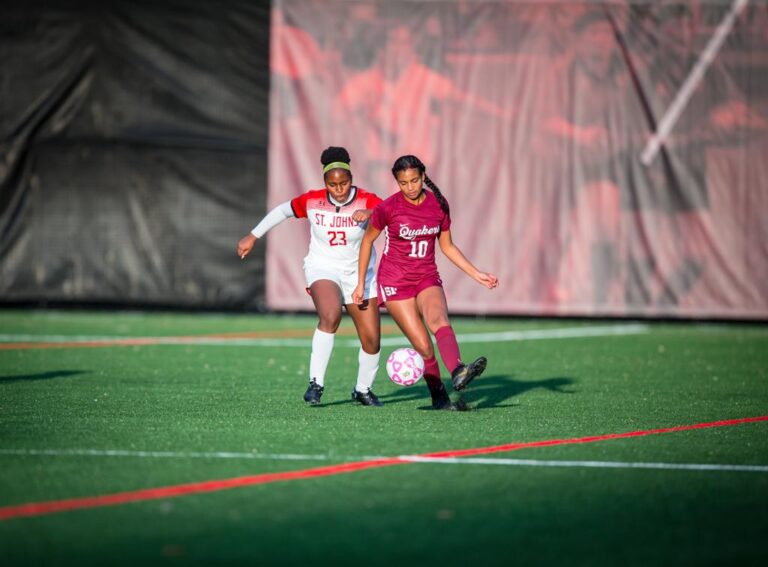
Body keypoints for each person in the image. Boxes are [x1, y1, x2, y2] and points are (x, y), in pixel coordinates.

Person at [237, 147, 384, 407]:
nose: (338, 189)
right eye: (332, 184)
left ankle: (363, 389)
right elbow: (282, 211)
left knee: (371, 340)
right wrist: (253, 236)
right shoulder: (313, 200)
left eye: (344, 183)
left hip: (360, 273)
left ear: (351, 178)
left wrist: (373, 213)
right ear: (325, 181)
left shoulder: (368, 200)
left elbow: (390, 213)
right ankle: (316, 384)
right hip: (323, 267)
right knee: (330, 315)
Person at [352, 155, 499, 410]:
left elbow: (448, 247)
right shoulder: (389, 208)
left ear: (423, 176)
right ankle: (439, 399)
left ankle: (458, 371)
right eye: (403, 183)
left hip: (426, 275)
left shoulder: (438, 205)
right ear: (397, 182)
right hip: (395, 282)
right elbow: (367, 242)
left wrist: (477, 274)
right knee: (423, 347)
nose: (410, 187)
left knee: (439, 320)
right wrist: (360, 283)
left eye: (415, 180)